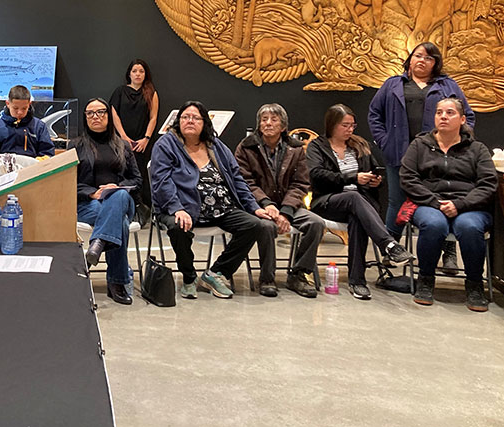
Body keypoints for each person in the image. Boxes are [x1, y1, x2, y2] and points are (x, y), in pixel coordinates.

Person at [150, 100, 277, 299]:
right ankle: (189, 277)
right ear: (178, 121)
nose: (189, 121)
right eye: (185, 117)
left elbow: (236, 179)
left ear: (205, 123)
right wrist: (177, 208)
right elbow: (161, 182)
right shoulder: (166, 144)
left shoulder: (216, 145)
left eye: (195, 117)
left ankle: (217, 273)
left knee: (255, 224)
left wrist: (254, 207)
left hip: (222, 209)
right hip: (181, 208)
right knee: (177, 227)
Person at [369, 42, 475, 274]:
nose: (422, 61)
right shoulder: (392, 84)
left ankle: (448, 253)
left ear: (435, 63)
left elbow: (468, 116)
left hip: (439, 156)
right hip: (399, 153)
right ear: (410, 59)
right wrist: (384, 141)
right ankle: (391, 248)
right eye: (418, 56)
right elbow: (374, 114)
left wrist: (458, 144)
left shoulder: (448, 85)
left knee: (443, 200)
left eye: (429, 58)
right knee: (396, 202)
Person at [306, 103, 413, 300]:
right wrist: (353, 178)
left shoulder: (360, 145)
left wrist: (374, 182)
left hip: (361, 204)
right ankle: (388, 245)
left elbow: (372, 172)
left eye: (352, 125)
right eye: (345, 125)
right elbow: (316, 175)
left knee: (357, 216)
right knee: (353, 198)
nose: (350, 129)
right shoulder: (317, 146)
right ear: (332, 125)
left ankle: (358, 281)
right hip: (328, 201)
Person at [400, 97, 497, 312]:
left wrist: (460, 204)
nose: (443, 116)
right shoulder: (419, 145)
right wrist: (435, 202)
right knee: (434, 225)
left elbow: (488, 184)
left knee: (470, 227)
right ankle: (425, 279)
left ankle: (474, 284)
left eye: (450, 113)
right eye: (439, 112)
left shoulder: (477, 149)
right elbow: (408, 179)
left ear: (462, 119)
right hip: (429, 204)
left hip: (469, 206)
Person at [235, 103, 322, 298]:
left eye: (274, 120)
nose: (268, 123)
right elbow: (244, 181)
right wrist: (267, 204)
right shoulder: (246, 147)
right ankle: (267, 278)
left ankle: (299, 274)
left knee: (316, 223)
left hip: (288, 205)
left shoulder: (296, 148)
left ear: (283, 126)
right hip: (258, 206)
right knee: (266, 227)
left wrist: (286, 212)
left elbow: (301, 183)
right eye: (264, 120)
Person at [72, 98, 141, 306]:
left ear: (108, 117)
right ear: (85, 118)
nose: (96, 116)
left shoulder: (123, 146)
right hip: (88, 204)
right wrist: (93, 193)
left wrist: (115, 188)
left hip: (123, 200)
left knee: (118, 196)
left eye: (101, 112)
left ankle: (98, 243)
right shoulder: (75, 146)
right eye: (90, 113)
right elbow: (69, 183)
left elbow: (137, 180)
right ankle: (117, 283)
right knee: (119, 224)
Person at [109, 59, 159, 216]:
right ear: (129, 73)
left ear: (146, 74)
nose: (138, 74)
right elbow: (113, 113)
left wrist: (146, 138)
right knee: (121, 172)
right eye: (135, 71)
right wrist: (123, 137)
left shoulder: (151, 93)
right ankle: (124, 207)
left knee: (140, 174)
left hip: (142, 142)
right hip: (121, 141)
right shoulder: (120, 91)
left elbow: (153, 117)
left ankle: (141, 208)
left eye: (141, 71)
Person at [0, 85, 55, 157]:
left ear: (29, 104)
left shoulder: (39, 126)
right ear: (8, 103)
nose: (20, 112)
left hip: (32, 168)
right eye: (15, 108)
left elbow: (47, 153)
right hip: (4, 168)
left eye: (24, 108)